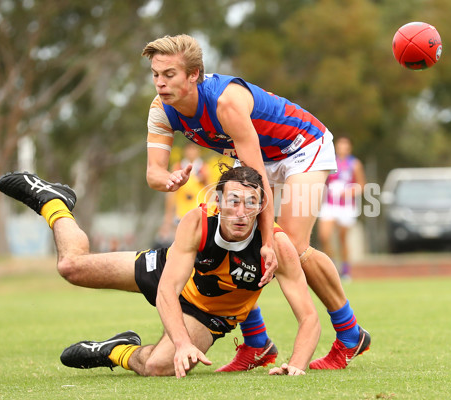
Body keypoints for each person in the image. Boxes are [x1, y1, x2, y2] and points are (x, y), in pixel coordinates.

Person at [141, 34, 370, 370]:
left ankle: (350, 334)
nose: (160, 83)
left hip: (302, 147)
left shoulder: (226, 104)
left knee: (288, 244)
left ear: (194, 74)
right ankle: (258, 343)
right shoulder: (162, 110)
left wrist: (266, 241)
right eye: (156, 75)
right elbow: (153, 173)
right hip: (258, 160)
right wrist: (169, 180)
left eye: (169, 75)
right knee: (229, 235)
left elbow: (256, 177)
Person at [0, 167, 320, 377]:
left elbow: (308, 317)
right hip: (168, 273)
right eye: (233, 201)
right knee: (70, 267)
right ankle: (54, 202)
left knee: (156, 367)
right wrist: (181, 343)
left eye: (251, 203)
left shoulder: (276, 246)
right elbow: (167, 290)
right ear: (218, 201)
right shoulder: (198, 221)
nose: (240, 212)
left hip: (209, 314)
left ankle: (115, 350)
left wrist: (297, 365)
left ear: (262, 207)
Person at [317, 137, 366, 280]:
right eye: (339, 145)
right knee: (324, 236)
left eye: (345, 145)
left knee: (342, 238)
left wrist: (351, 191)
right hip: (330, 204)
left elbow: (362, 185)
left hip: (346, 207)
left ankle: (345, 270)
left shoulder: (355, 164)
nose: (342, 148)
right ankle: (332, 266)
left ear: (349, 147)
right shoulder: (330, 162)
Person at [156, 141, 210, 246]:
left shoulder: (204, 168)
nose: (191, 152)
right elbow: (171, 193)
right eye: (189, 149)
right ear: (185, 151)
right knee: (180, 243)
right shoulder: (178, 167)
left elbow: (210, 191)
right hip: (181, 213)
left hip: (199, 212)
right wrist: (168, 216)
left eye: (194, 149)